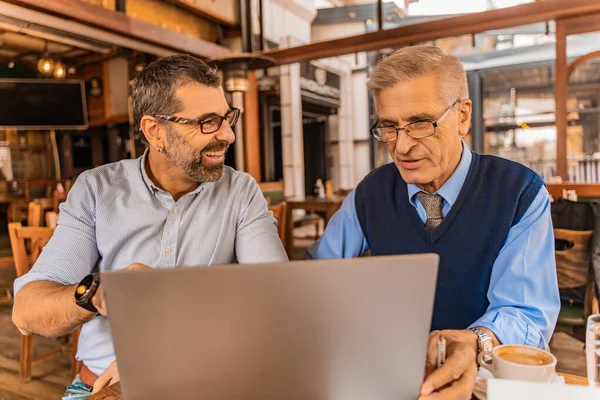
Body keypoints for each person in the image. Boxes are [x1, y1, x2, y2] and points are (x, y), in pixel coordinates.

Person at [12, 55, 288, 399]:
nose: (228, 134)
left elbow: (277, 301)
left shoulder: (241, 192)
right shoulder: (97, 190)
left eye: (228, 117)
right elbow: (27, 311)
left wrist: (155, 364)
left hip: (208, 381)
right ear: (155, 130)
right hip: (102, 386)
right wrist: (98, 291)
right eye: (207, 122)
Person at [307, 45, 559, 399]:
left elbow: (526, 312)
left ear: (463, 117)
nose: (402, 146)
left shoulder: (519, 192)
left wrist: (474, 342)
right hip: (388, 377)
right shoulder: (371, 192)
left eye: (420, 124)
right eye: (389, 127)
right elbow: (315, 280)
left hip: (484, 382)